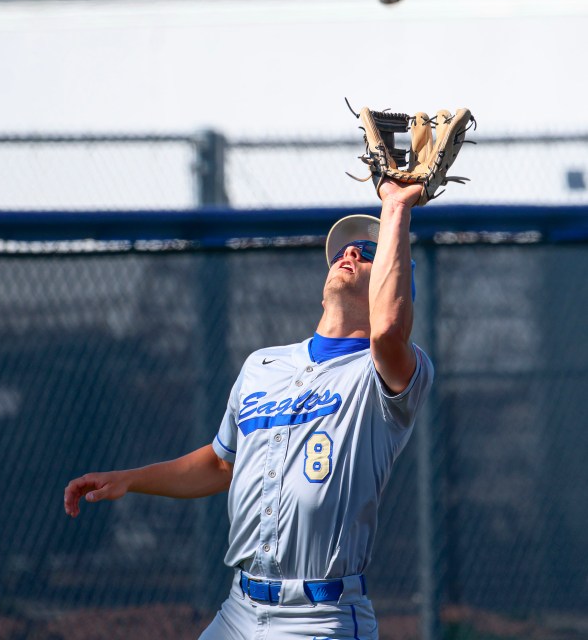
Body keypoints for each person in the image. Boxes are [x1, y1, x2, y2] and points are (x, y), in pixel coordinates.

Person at [64, 180, 433, 640]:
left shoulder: (385, 376)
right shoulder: (263, 365)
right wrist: (131, 479)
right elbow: (222, 464)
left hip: (320, 618)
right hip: (238, 610)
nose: (350, 254)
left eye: (366, 252)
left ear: (391, 289)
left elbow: (388, 334)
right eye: (344, 250)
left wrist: (396, 207)